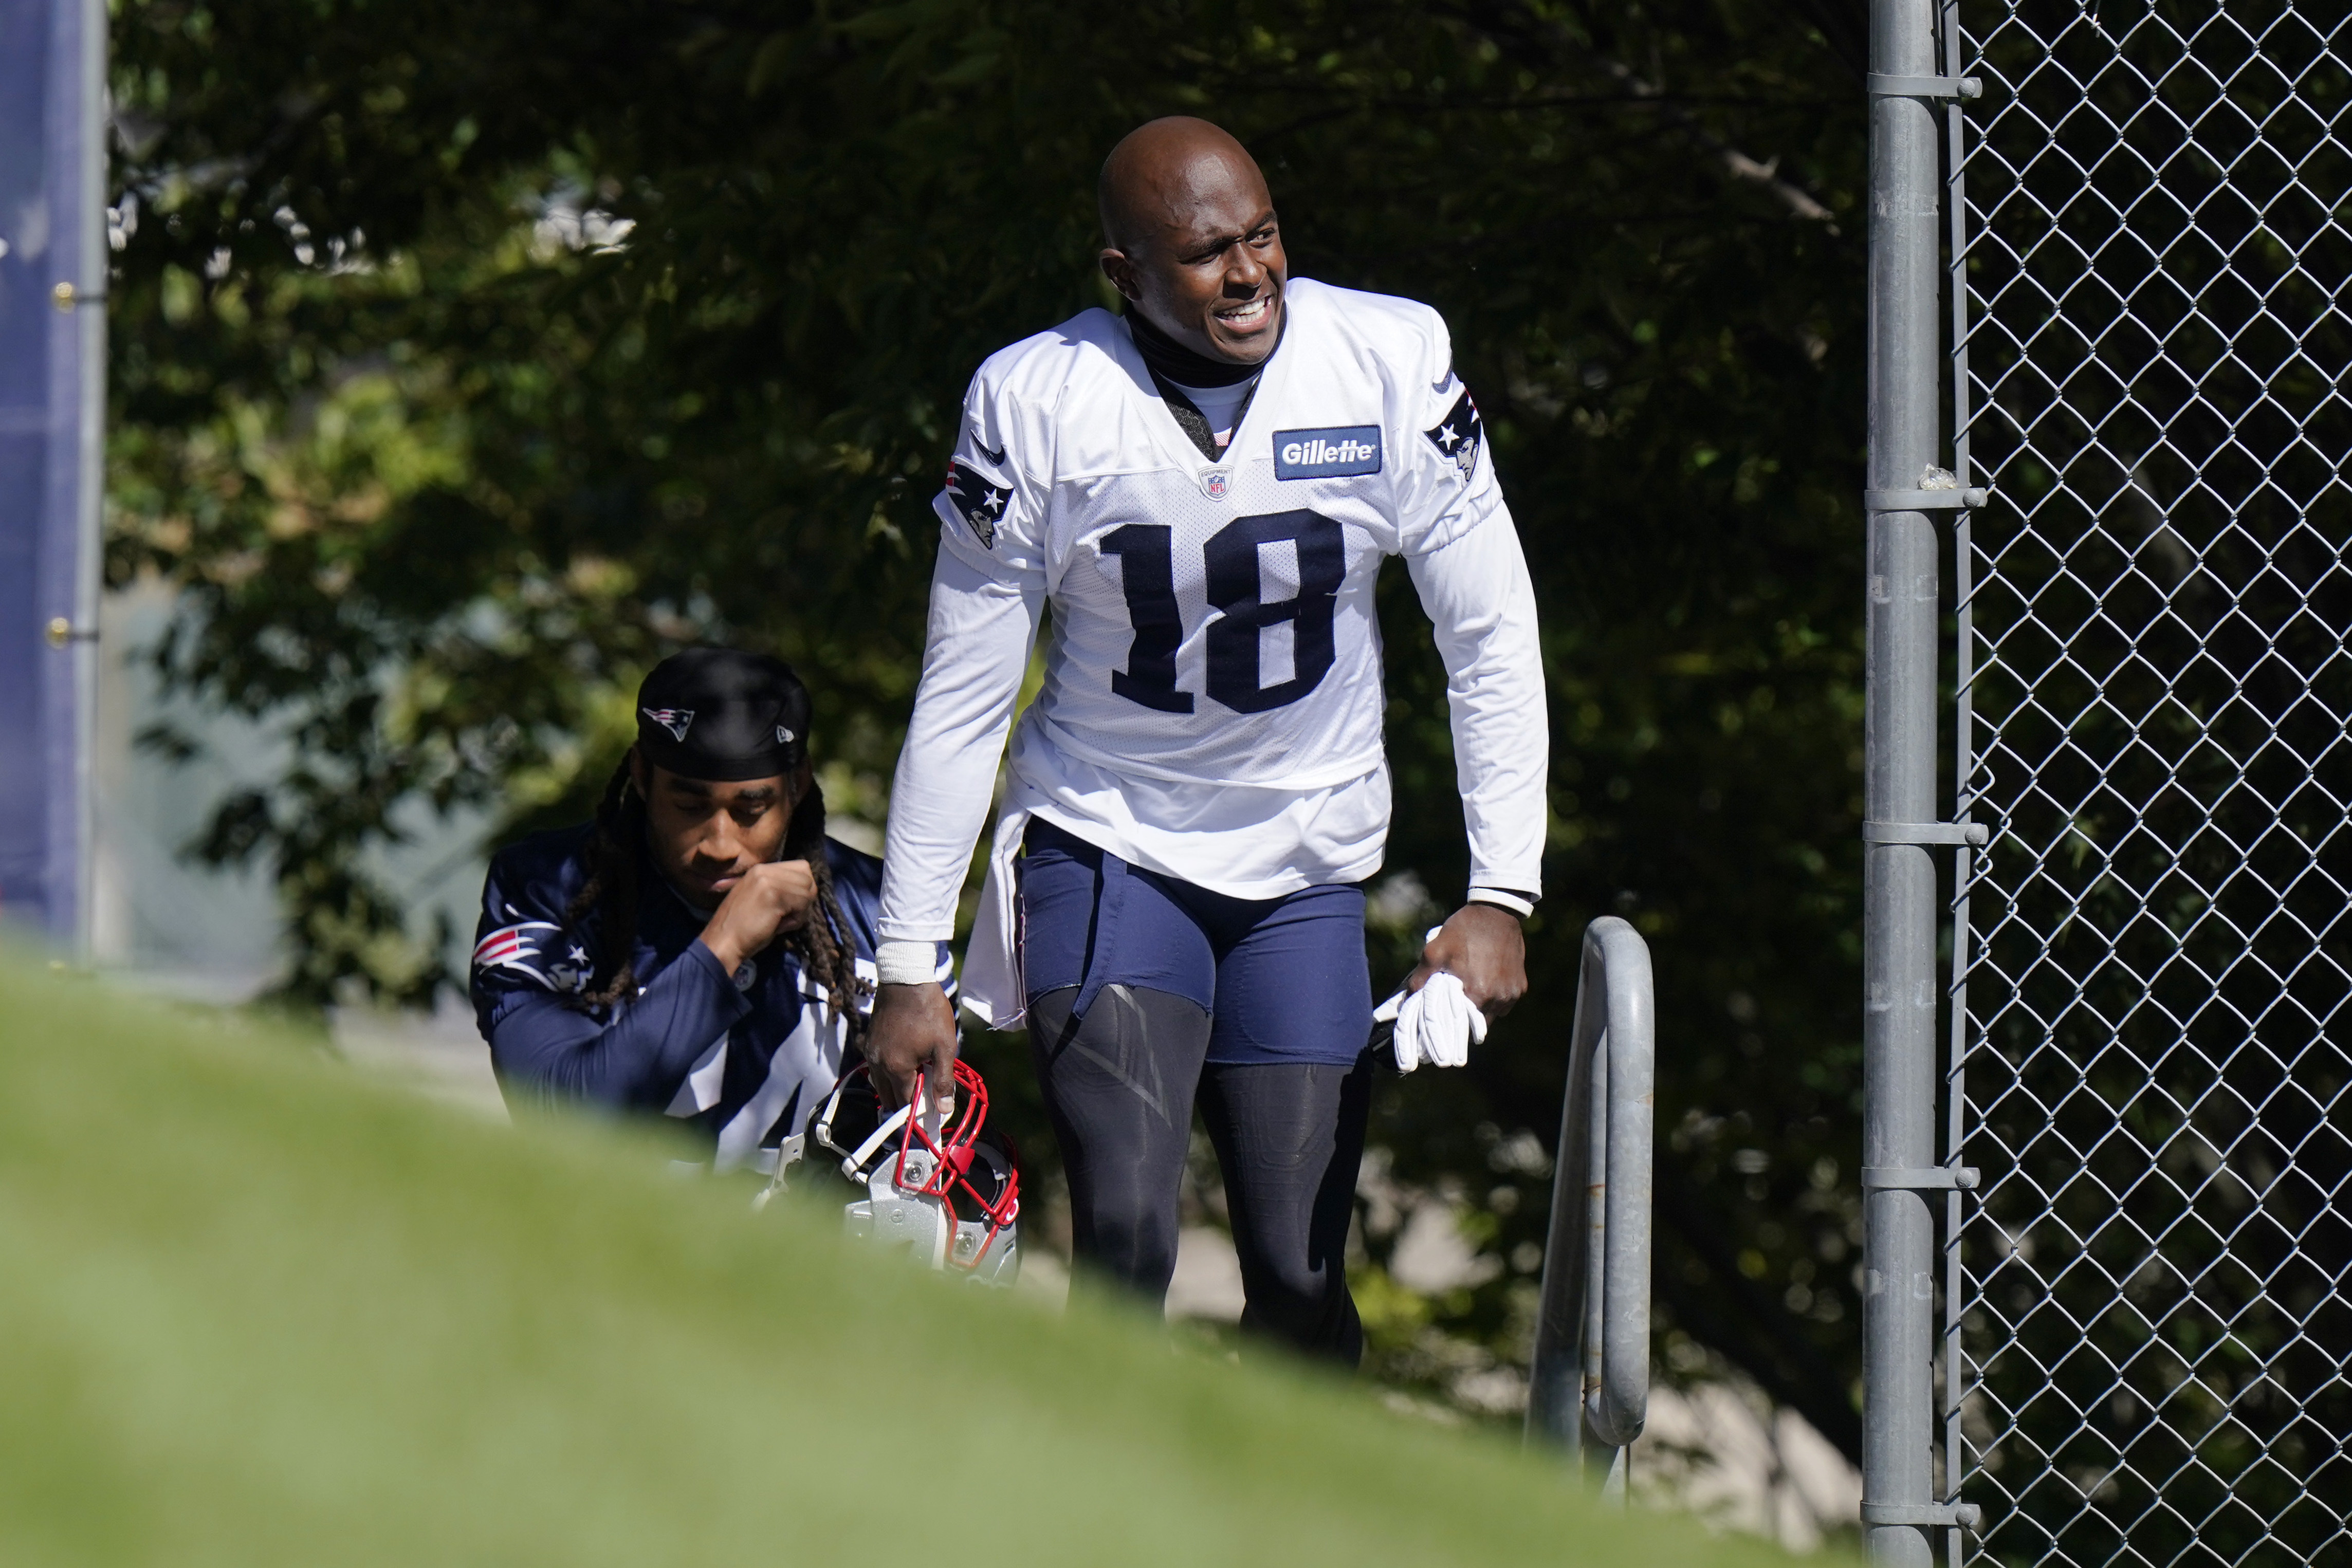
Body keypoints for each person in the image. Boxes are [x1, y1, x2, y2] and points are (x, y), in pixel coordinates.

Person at [864, 117, 1548, 1361]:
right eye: (1203, 253)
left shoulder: (1387, 361)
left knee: (1295, 1269)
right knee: (1124, 1228)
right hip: (1109, 836)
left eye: (1263, 235)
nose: (1248, 274)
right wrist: (910, 954)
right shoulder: (1036, 402)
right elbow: (963, 693)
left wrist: (1499, 886)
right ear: (1121, 272)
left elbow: (1488, 631)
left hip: (1302, 858)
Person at [469, 647, 950, 1172]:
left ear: (798, 784)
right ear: (641, 776)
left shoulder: (890, 918)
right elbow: (562, 1117)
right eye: (690, 805)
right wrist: (723, 945)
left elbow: (918, 1153)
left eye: (751, 809)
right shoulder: (547, 888)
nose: (719, 843)